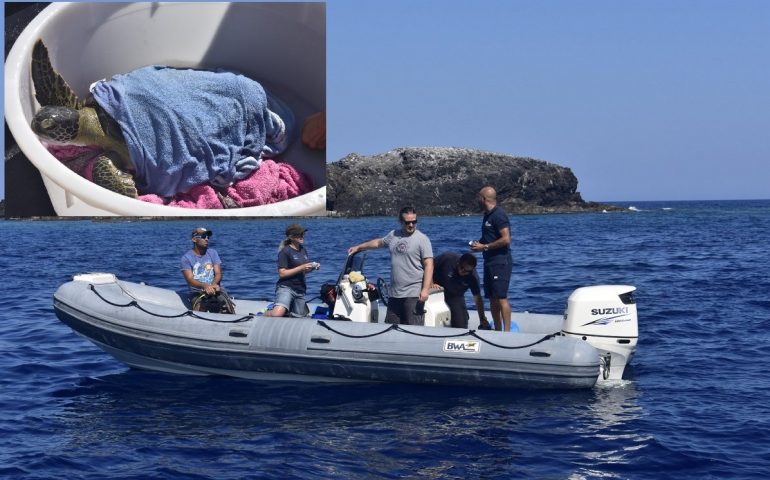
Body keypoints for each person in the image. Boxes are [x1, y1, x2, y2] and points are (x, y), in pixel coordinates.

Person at [348, 206, 433, 326]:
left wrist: (425, 290)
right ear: (400, 222)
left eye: (414, 222)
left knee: (414, 330)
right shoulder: (393, 235)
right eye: (407, 222)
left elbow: (429, 264)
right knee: (391, 329)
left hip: (413, 295)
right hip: (394, 295)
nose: (411, 225)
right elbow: (378, 243)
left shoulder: (422, 239)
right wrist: (359, 247)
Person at [470, 186, 513, 331]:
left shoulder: (498, 215)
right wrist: (479, 244)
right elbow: (489, 237)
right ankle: (497, 330)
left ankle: (506, 333)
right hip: (489, 262)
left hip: (500, 262)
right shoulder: (486, 215)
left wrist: (485, 247)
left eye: (478, 197)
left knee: (501, 297)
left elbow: (506, 239)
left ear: (484, 199)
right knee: (492, 298)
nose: (477, 200)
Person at [265, 223, 320, 317]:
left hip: (300, 290)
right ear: (291, 237)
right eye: (299, 234)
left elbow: (303, 271)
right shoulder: (285, 251)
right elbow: (282, 273)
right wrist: (301, 267)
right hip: (286, 288)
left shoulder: (303, 250)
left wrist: (312, 268)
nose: (302, 236)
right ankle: (265, 313)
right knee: (277, 314)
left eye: (303, 234)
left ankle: (286, 310)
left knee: (298, 317)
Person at [432, 252, 490, 329]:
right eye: (461, 268)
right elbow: (429, 265)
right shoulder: (448, 258)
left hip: (454, 296)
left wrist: (482, 318)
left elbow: (477, 298)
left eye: (467, 271)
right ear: (458, 262)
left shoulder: (473, 278)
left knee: (461, 326)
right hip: (436, 289)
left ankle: (463, 314)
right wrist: (431, 283)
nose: (463, 271)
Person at [181, 227, 233, 313]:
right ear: (194, 239)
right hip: (197, 293)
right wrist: (205, 286)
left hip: (216, 289)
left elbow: (218, 273)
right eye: (203, 236)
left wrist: (214, 284)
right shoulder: (186, 258)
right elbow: (190, 279)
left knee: (225, 305)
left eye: (208, 237)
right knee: (201, 307)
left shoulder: (213, 253)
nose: (207, 239)